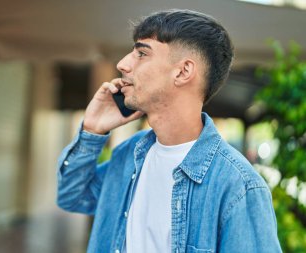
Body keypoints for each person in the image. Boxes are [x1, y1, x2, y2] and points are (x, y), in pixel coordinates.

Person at [56, 9, 282, 253]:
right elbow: (72, 196)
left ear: (183, 71)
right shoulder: (129, 154)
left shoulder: (238, 185)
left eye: (142, 53)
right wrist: (92, 130)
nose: (122, 64)